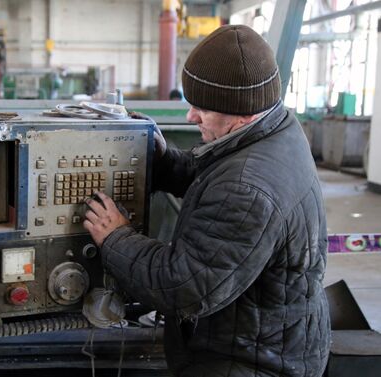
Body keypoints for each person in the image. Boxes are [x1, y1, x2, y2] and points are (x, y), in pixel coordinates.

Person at [83, 25, 330, 377]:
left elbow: (183, 286)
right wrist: (164, 162)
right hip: (271, 339)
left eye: (203, 109)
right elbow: (214, 172)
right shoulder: (276, 129)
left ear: (243, 112)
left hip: (248, 362)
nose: (190, 117)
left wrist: (116, 238)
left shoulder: (248, 188)